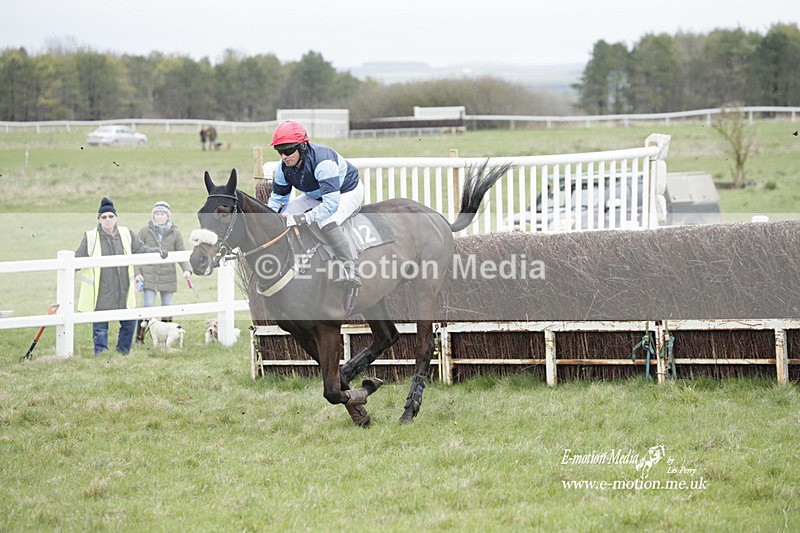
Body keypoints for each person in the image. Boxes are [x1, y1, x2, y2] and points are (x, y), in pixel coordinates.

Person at [267, 120, 363, 287]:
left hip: (346, 192)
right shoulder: (283, 168)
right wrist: (268, 218)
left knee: (326, 220)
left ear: (302, 146)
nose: (284, 156)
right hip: (317, 195)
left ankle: (351, 269)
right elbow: (278, 198)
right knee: (284, 216)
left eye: (288, 150)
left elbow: (330, 206)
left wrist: (303, 218)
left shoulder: (323, 162)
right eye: (279, 151)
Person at [75, 197, 168, 356]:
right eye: (104, 217)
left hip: (123, 289)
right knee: (100, 327)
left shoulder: (126, 233)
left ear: (116, 217)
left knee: (129, 323)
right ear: (99, 219)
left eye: (111, 216)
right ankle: (101, 355)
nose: (108, 219)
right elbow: (78, 258)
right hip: (101, 291)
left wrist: (157, 251)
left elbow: (141, 249)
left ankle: (122, 353)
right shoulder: (90, 237)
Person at [133, 201, 192, 344]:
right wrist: (137, 272)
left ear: (167, 216)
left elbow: (181, 252)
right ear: (153, 215)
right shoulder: (145, 231)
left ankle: (166, 338)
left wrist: (187, 270)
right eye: (157, 214)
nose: (159, 217)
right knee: (148, 307)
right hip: (149, 275)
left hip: (168, 277)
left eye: (162, 214)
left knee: (167, 308)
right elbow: (137, 252)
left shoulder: (175, 233)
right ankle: (139, 338)